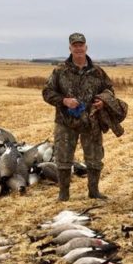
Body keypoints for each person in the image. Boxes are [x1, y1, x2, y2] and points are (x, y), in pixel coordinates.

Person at [42, 32, 115, 201]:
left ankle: (94, 191)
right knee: (63, 157)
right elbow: (47, 92)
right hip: (65, 121)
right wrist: (64, 101)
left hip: (91, 121)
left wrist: (103, 101)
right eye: (75, 45)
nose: (78, 48)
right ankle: (64, 193)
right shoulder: (60, 71)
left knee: (95, 157)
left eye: (81, 45)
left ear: (86, 47)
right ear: (70, 48)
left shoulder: (97, 72)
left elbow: (109, 90)